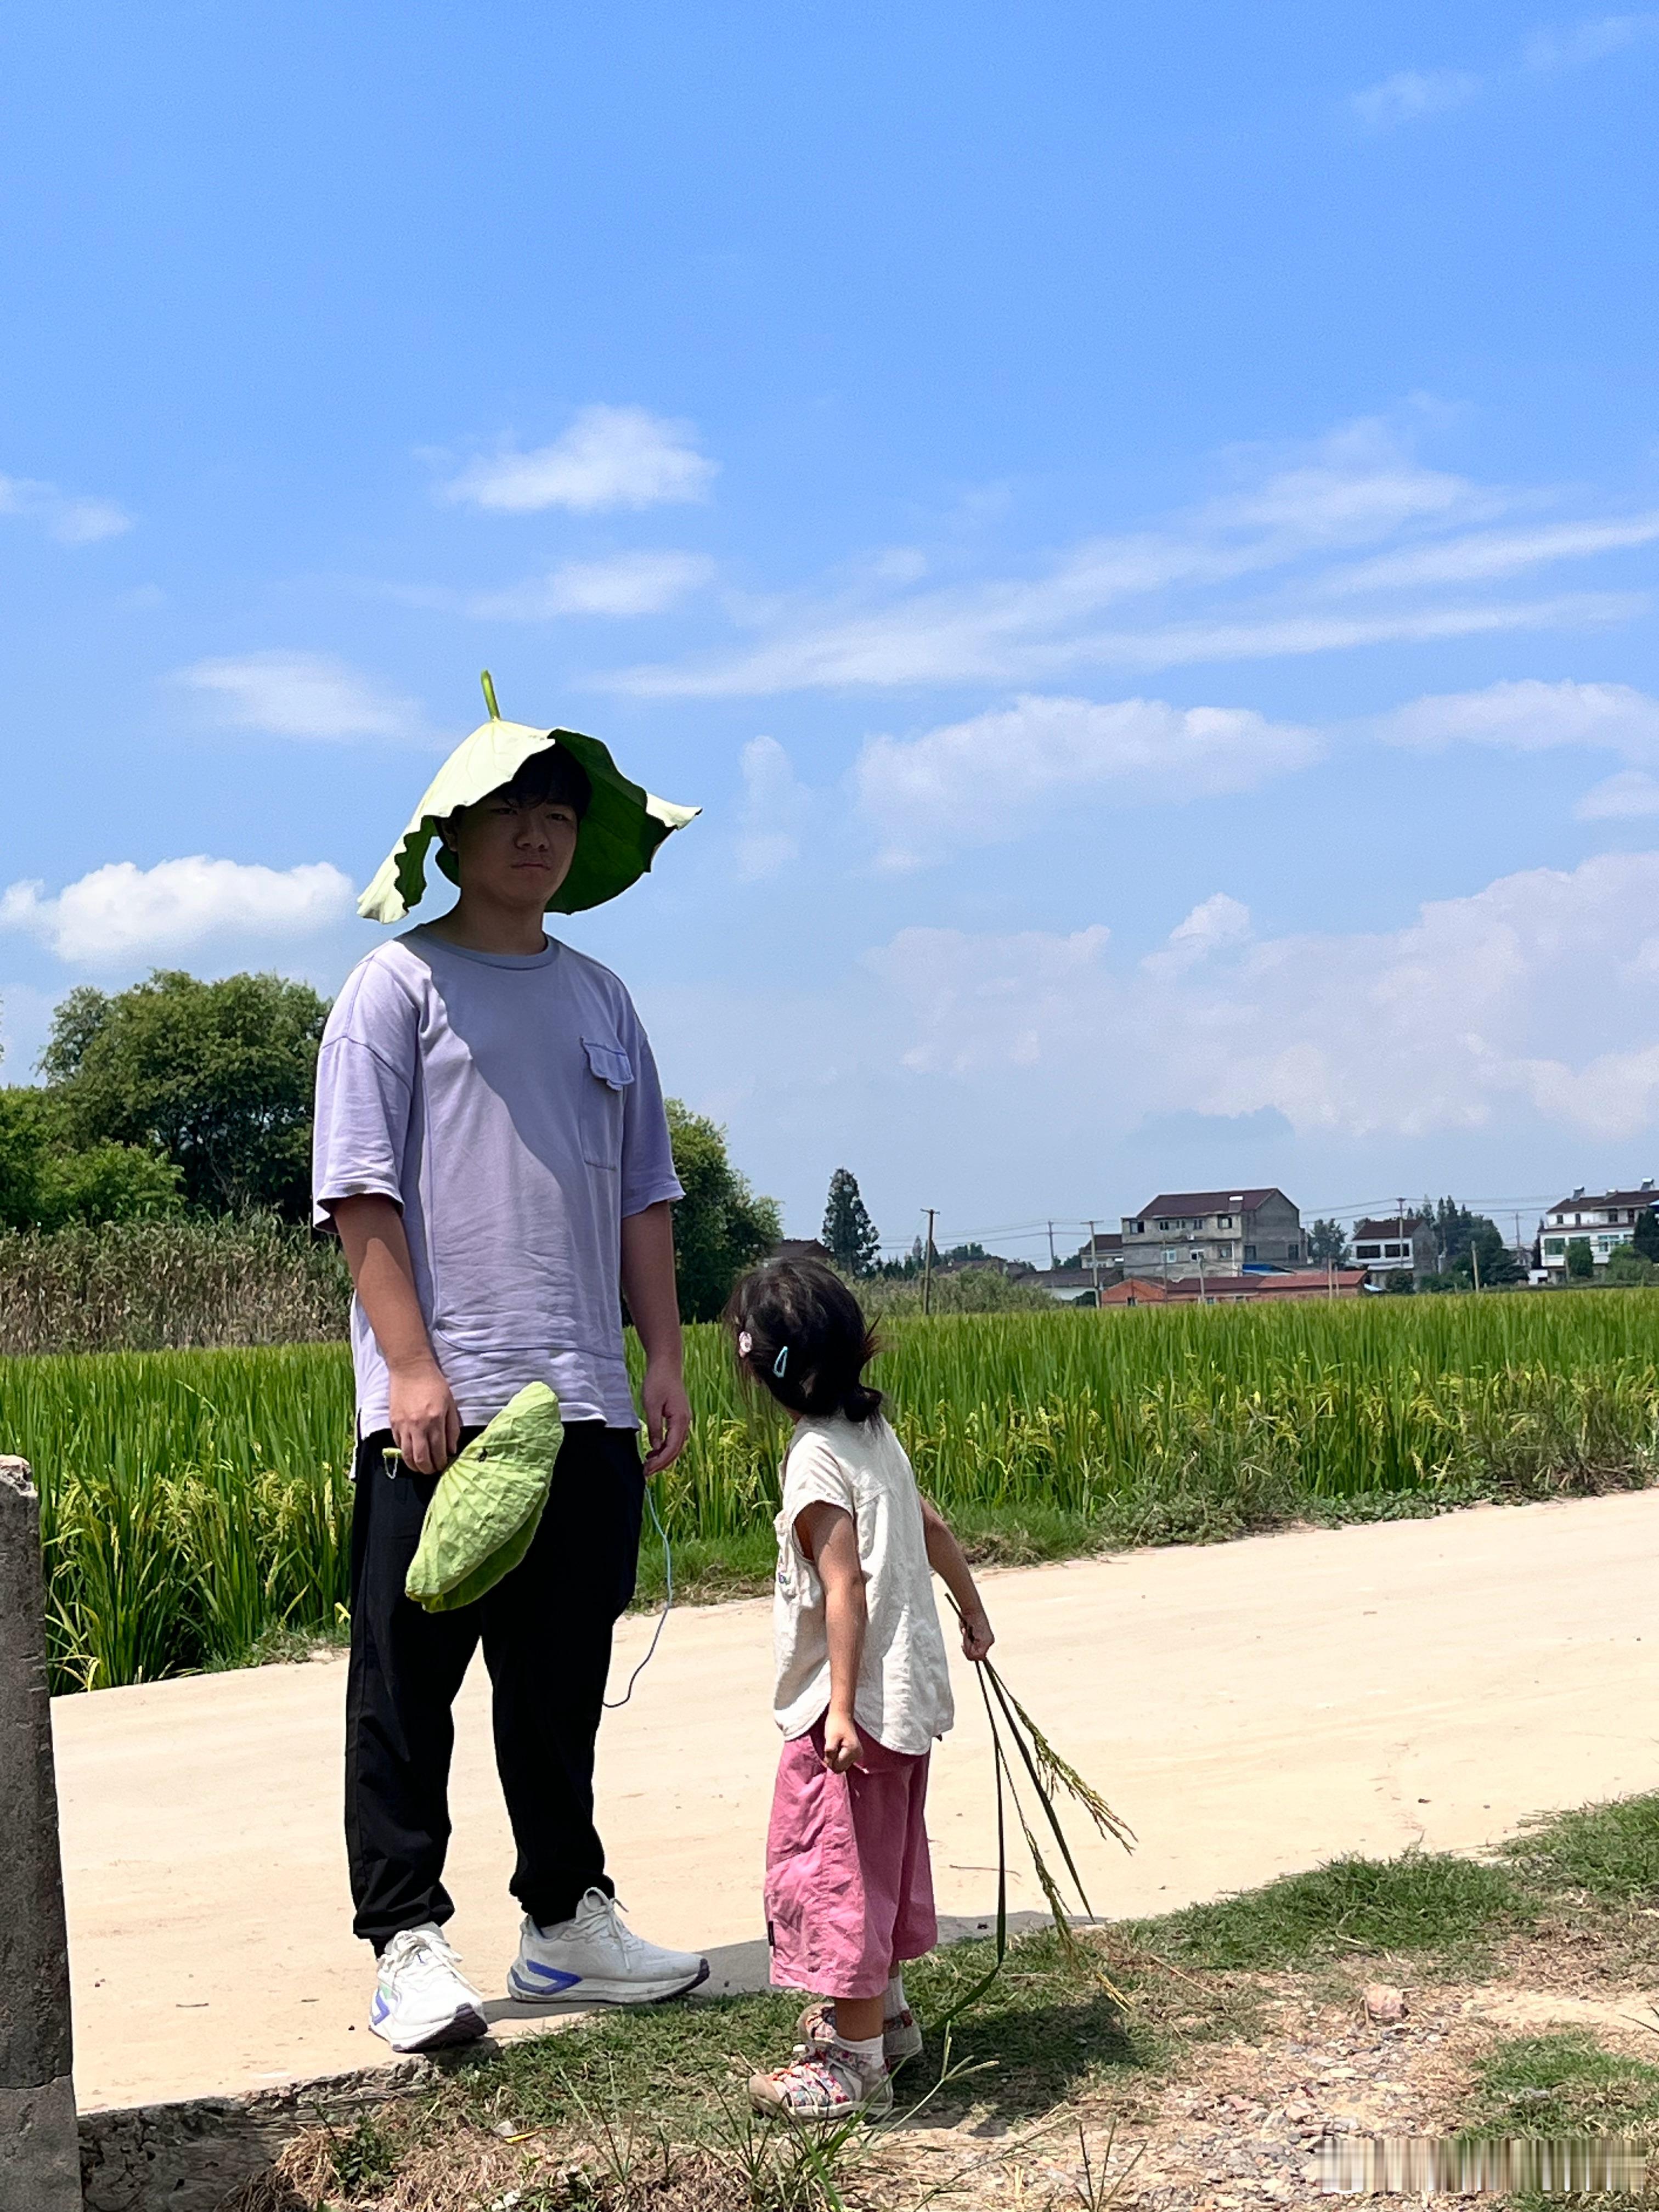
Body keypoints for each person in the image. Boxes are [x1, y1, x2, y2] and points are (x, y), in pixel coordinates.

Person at [313, 725, 708, 2053]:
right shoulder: (395, 988)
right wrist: (412, 1367)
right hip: (444, 1403)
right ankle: (407, 1940)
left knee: (559, 1677)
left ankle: (563, 1919)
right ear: (451, 837)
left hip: (584, 1394)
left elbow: (646, 1197)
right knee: (407, 1679)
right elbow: (360, 1194)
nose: (536, 834)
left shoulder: (603, 999)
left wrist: (660, 1354)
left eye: (555, 814)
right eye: (508, 812)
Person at [727, 1257, 995, 2121]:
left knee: (831, 1872)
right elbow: (933, 1528)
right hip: (905, 1700)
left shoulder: (813, 1460)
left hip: (850, 1714)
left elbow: (845, 1587)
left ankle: (853, 2064)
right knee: (881, 1861)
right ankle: (889, 2017)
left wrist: (838, 1708)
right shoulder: (871, 1432)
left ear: (764, 1366)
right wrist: (974, 1612)